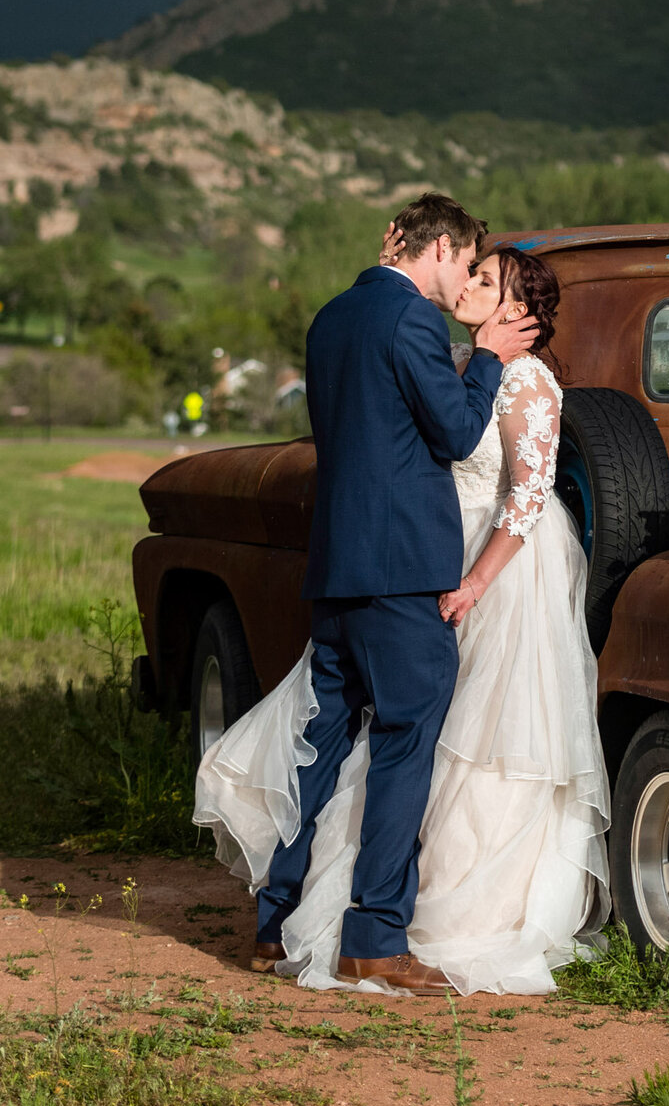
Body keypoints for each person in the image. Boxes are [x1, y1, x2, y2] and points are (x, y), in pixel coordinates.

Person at [195, 201, 611, 996]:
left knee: (320, 747)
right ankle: (376, 939)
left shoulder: (331, 318)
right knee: (404, 745)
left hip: (342, 567)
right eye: (469, 264)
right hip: (402, 573)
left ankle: (275, 922)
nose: (464, 281)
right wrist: (485, 357)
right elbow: (457, 437)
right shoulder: (415, 325)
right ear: (445, 248)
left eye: (485, 279)